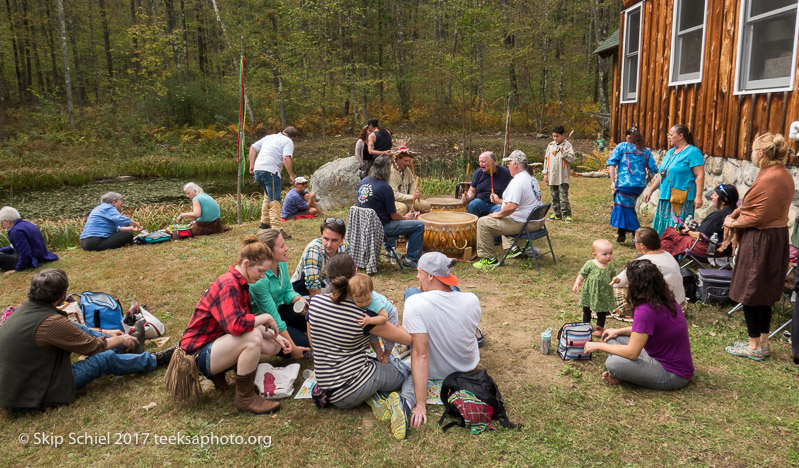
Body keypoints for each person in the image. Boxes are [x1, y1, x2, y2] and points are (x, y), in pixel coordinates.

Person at [0, 269, 174, 410]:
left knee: (78, 328)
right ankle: (155, 359)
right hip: (35, 392)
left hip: (18, 386)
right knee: (104, 359)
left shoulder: (26, 311)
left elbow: (71, 329)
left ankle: (130, 347)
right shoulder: (50, 322)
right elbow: (92, 348)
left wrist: (105, 332)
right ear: (61, 296)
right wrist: (118, 340)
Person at [306, 253, 412, 440]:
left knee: (373, 362)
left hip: (328, 389)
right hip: (351, 387)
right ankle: (400, 404)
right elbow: (406, 340)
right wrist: (402, 329)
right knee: (407, 371)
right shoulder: (363, 315)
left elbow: (313, 342)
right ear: (355, 273)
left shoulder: (315, 303)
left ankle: (374, 398)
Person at [179, 236, 290, 414]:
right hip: (195, 355)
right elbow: (236, 326)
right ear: (246, 263)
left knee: (271, 345)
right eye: (260, 271)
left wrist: (275, 336)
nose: (262, 277)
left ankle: (221, 374)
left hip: (213, 344)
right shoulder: (229, 284)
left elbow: (244, 323)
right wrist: (266, 317)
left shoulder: (240, 282)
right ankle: (245, 398)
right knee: (253, 339)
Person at [724, 133, 794, 361]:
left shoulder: (770, 178)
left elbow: (757, 215)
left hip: (761, 239)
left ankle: (754, 346)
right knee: (762, 290)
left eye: (753, 151)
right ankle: (762, 342)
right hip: (776, 237)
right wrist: (738, 213)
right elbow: (754, 207)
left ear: (761, 153)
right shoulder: (783, 174)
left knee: (751, 290)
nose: (751, 154)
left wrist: (733, 221)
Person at [395, 252, 481, 431]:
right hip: (466, 367)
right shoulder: (472, 299)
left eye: (419, 272)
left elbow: (421, 355)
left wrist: (421, 404)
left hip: (435, 371)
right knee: (441, 292)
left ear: (431, 275)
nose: (417, 276)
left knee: (411, 293)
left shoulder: (414, 302)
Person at [584, 259, 694, 390]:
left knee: (613, 363)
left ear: (634, 284)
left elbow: (632, 353)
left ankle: (624, 372)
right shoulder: (663, 296)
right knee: (612, 337)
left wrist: (598, 346)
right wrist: (618, 331)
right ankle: (630, 371)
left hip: (673, 374)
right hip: (656, 354)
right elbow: (649, 329)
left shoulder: (645, 310)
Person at [472, 150, 543, 269]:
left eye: (509, 162)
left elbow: (512, 207)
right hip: (536, 220)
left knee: (483, 222)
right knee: (505, 216)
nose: (508, 165)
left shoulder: (518, 181)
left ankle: (489, 259)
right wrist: (500, 202)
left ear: (515, 164)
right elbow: (517, 203)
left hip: (526, 223)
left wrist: (498, 214)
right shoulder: (531, 178)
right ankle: (512, 249)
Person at [250, 229, 311, 360]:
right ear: (269, 252)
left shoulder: (281, 263)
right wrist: (293, 349)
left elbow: (288, 290)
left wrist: (299, 300)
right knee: (305, 345)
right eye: (282, 246)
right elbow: (274, 318)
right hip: (262, 322)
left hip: (276, 312)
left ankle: (295, 334)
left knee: (310, 311)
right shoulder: (259, 279)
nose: (287, 248)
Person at [357, 155, 424, 268]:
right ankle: (411, 259)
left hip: (363, 226)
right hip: (379, 227)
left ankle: (390, 250)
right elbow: (394, 216)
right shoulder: (385, 188)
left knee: (385, 217)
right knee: (419, 225)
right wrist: (406, 217)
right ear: (386, 170)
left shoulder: (363, 182)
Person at [643, 124, 705, 235]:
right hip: (665, 196)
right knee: (664, 227)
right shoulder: (670, 152)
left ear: (680, 136)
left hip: (682, 199)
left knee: (677, 227)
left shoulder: (693, 152)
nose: (669, 137)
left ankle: (677, 251)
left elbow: (700, 175)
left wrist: (698, 196)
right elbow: (662, 174)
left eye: (671, 134)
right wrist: (650, 190)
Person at [607, 126, 659, 243]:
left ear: (628, 136)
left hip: (625, 184)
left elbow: (611, 163)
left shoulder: (622, 146)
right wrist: (644, 182)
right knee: (627, 206)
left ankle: (636, 233)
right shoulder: (645, 150)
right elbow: (653, 169)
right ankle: (621, 232)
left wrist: (613, 182)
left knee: (623, 207)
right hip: (638, 186)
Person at [612, 227, 686, 307]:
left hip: (662, 306)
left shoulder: (642, 263)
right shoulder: (668, 254)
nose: (634, 243)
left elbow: (617, 283)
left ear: (641, 245)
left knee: (611, 292)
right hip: (679, 301)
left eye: (634, 241)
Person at [660, 184, 739, 257]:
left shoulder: (719, 216)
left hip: (709, 249)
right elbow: (713, 230)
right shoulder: (733, 212)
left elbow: (701, 236)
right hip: (725, 249)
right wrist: (699, 225)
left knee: (671, 232)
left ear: (724, 200)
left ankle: (661, 257)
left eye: (715, 195)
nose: (711, 197)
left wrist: (688, 231)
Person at [248, 126, 299, 234]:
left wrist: (252, 165)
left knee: (268, 196)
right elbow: (286, 158)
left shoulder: (269, 137)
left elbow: (253, 147)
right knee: (275, 199)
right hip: (270, 171)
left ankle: (265, 223)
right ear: (293, 138)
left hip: (258, 170)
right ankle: (276, 229)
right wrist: (291, 175)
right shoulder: (288, 141)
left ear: (283, 131)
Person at [291, 218, 352, 297]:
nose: (329, 244)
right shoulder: (313, 250)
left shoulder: (345, 246)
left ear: (342, 238)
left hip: (331, 289)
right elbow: (313, 288)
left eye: (334, 240)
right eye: (326, 239)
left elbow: (349, 276)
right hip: (304, 292)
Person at [349, 273, 399, 364]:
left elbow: (384, 317)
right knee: (371, 335)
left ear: (371, 292)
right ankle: (379, 352)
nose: (364, 304)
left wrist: (370, 320)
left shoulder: (375, 301)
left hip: (388, 314)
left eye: (367, 300)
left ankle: (387, 355)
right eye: (360, 302)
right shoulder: (356, 297)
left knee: (388, 338)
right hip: (374, 315)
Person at [572, 239, 616, 337]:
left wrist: (615, 279)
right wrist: (577, 283)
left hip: (603, 294)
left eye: (610, 253)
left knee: (602, 311)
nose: (608, 256)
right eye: (605, 254)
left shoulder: (610, 266)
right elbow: (582, 274)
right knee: (587, 309)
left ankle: (599, 327)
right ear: (595, 255)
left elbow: (613, 275)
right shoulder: (590, 264)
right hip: (590, 292)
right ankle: (585, 325)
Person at [0, 206, 58, 274]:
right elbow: (14, 247)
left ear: (7, 221)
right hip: (39, 256)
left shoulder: (16, 231)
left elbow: (25, 253)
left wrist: (18, 270)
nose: (2, 225)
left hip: (30, 261)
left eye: (2, 223)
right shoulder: (27, 224)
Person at [460, 151, 513, 217]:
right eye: (479, 162)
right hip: (481, 202)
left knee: (501, 211)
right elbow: (472, 191)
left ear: (492, 161)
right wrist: (468, 197)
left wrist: (502, 201)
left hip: (498, 204)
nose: (480, 164)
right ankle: (472, 226)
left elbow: (513, 191)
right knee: (473, 205)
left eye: (483, 162)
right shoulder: (478, 173)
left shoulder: (506, 173)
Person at [543, 125, 575, 223]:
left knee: (563, 197)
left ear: (563, 135)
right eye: (554, 136)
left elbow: (572, 159)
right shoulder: (550, 145)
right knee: (554, 196)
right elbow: (546, 160)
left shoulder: (567, 146)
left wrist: (563, 152)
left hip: (562, 176)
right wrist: (545, 173)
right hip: (552, 175)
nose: (555, 138)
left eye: (557, 136)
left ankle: (567, 215)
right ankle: (557, 214)